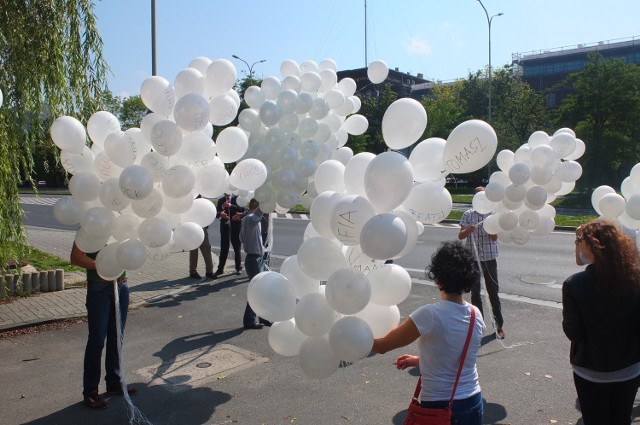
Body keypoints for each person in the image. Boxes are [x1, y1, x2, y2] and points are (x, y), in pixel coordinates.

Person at [372, 241, 485, 424]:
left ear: (438, 277)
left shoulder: (430, 315)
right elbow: (458, 355)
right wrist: (419, 360)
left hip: (439, 406)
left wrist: (351, 336)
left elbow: (382, 346)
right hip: (473, 402)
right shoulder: (475, 314)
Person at [562, 219, 640, 424]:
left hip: (591, 370)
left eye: (580, 240)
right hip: (629, 367)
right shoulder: (636, 278)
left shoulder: (574, 284)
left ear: (593, 245)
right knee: (622, 418)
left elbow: (574, 332)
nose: (577, 244)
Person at [70, 242, 136, 410]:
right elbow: (76, 257)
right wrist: (103, 267)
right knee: (97, 340)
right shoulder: (91, 222)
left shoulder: (123, 222)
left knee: (116, 336)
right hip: (99, 286)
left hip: (122, 284)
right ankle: (91, 391)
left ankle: (114, 381)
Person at [458, 186, 505, 339]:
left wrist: (491, 229)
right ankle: (478, 325)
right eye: (479, 196)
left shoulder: (492, 215)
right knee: (475, 293)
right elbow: (460, 235)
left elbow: (494, 238)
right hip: (473, 259)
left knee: (493, 292)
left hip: (489, 259)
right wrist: (468, 230)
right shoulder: (468, 214)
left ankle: (499, 326)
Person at [239, 198, 271, 329]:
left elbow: (242, 238)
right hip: (253, 260)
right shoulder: (251, 219)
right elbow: (257, 215)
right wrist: (266, 202)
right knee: (256, 291)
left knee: (260, 289)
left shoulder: (246, 219)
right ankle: (249, 321)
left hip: (255, 258)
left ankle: (262, 318)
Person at [214, 193, 244, 277]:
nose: (226, 194)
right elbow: (216, 212)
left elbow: (242, 210)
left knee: (237, 247)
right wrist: (221, 212)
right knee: (224, 248)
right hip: (225, 226)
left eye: (227, 193)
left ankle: (238, 267)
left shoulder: (237, 199)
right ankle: (220, 269)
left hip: (235, 226)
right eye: (225, 193)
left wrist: (231, 206)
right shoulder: (221, 200)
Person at [189, 196, 215, 280]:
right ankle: (193, 271)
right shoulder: (191, 203)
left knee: (206, 248)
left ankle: (209, 271)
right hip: (193, 229)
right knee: (194, 251)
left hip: (202, 228)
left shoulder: (203, 203)